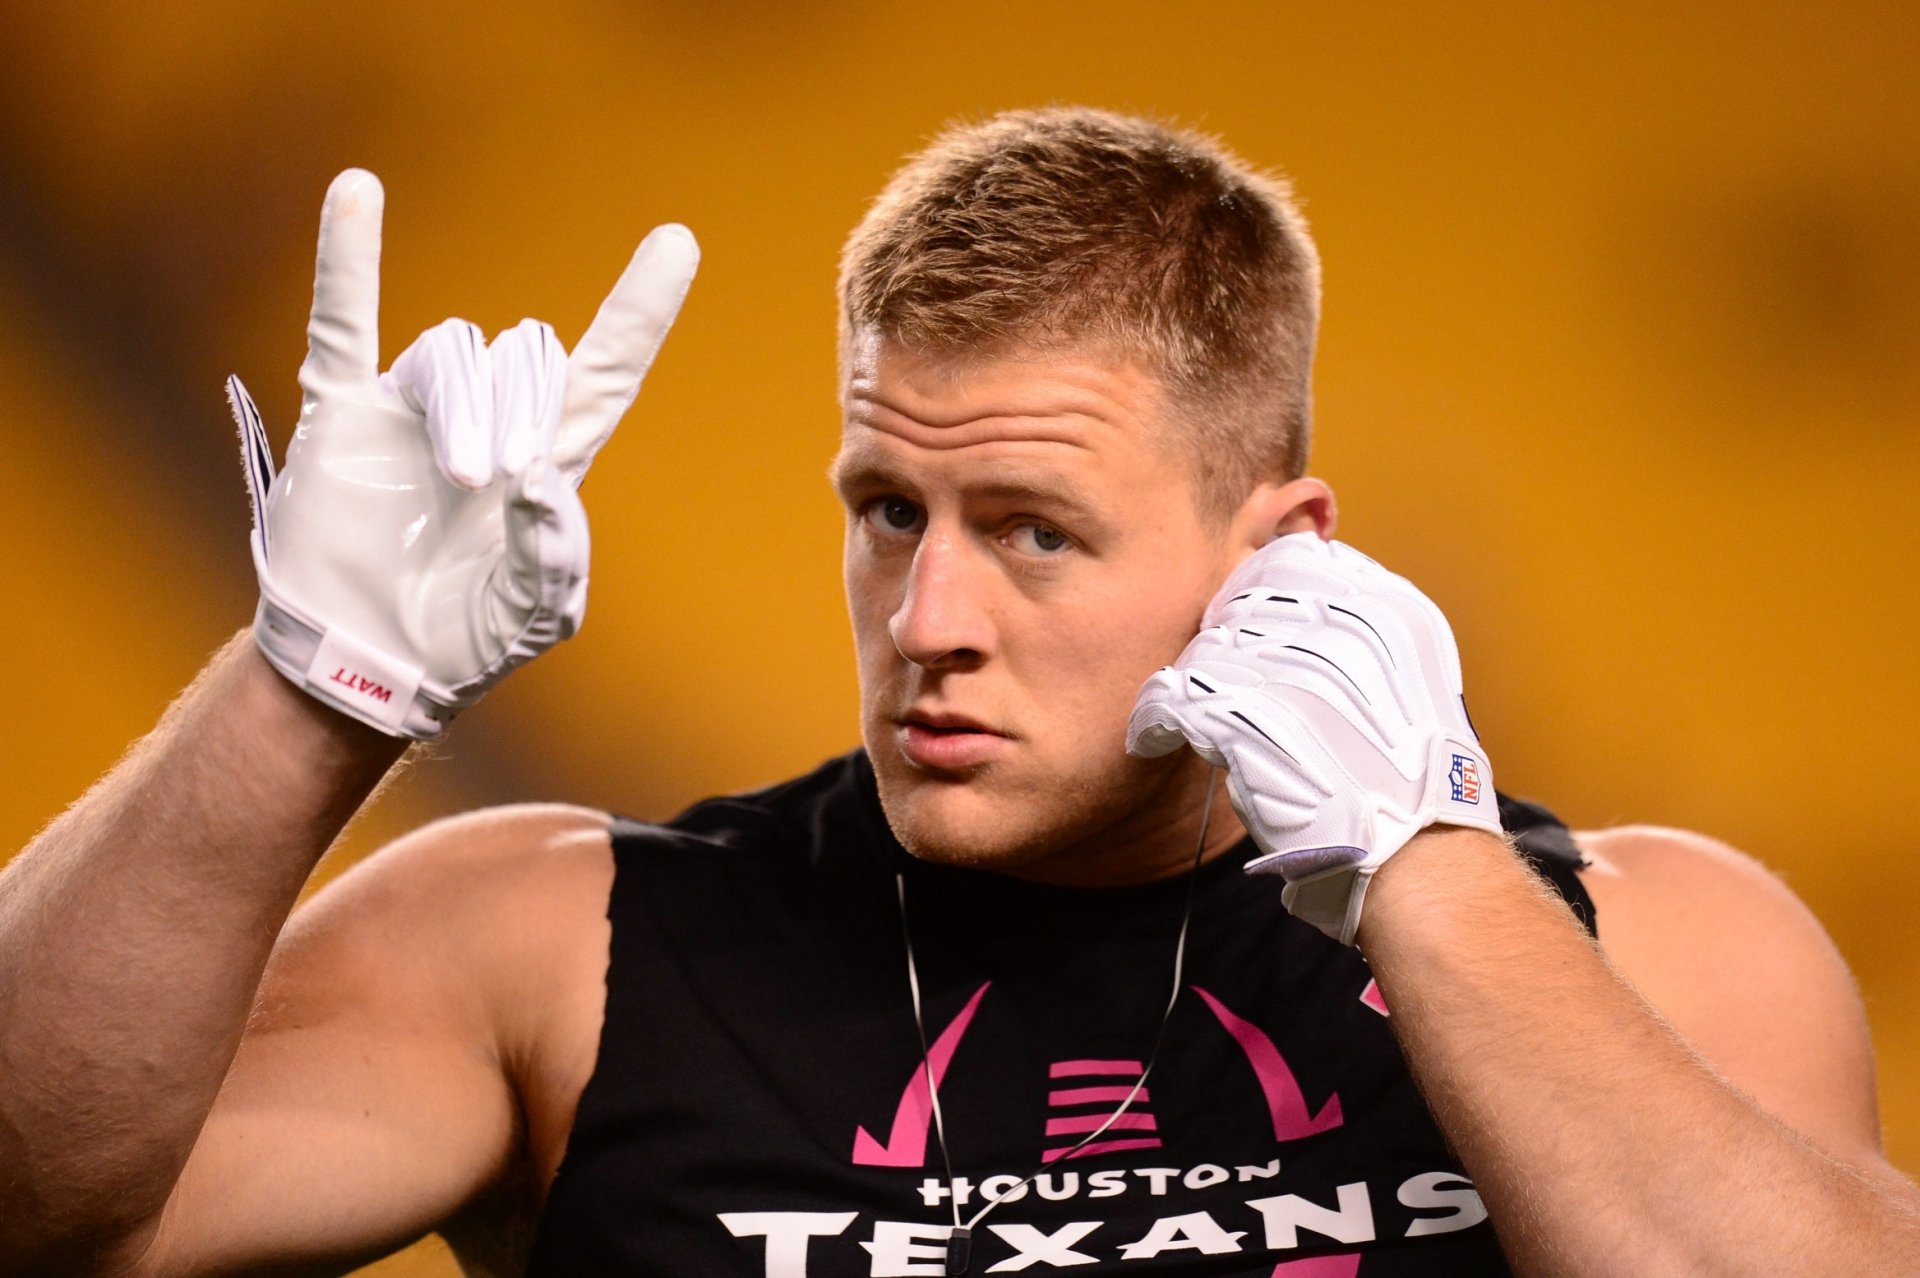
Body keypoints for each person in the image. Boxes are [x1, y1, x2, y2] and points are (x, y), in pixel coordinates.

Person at [0, 107, 1912, 1278]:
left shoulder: (1657, 942)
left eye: (1035, 531)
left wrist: (1429, 865)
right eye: (886, 508)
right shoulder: (552, 946)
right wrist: (306, 688)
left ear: (1279, 551)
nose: (927, 613)